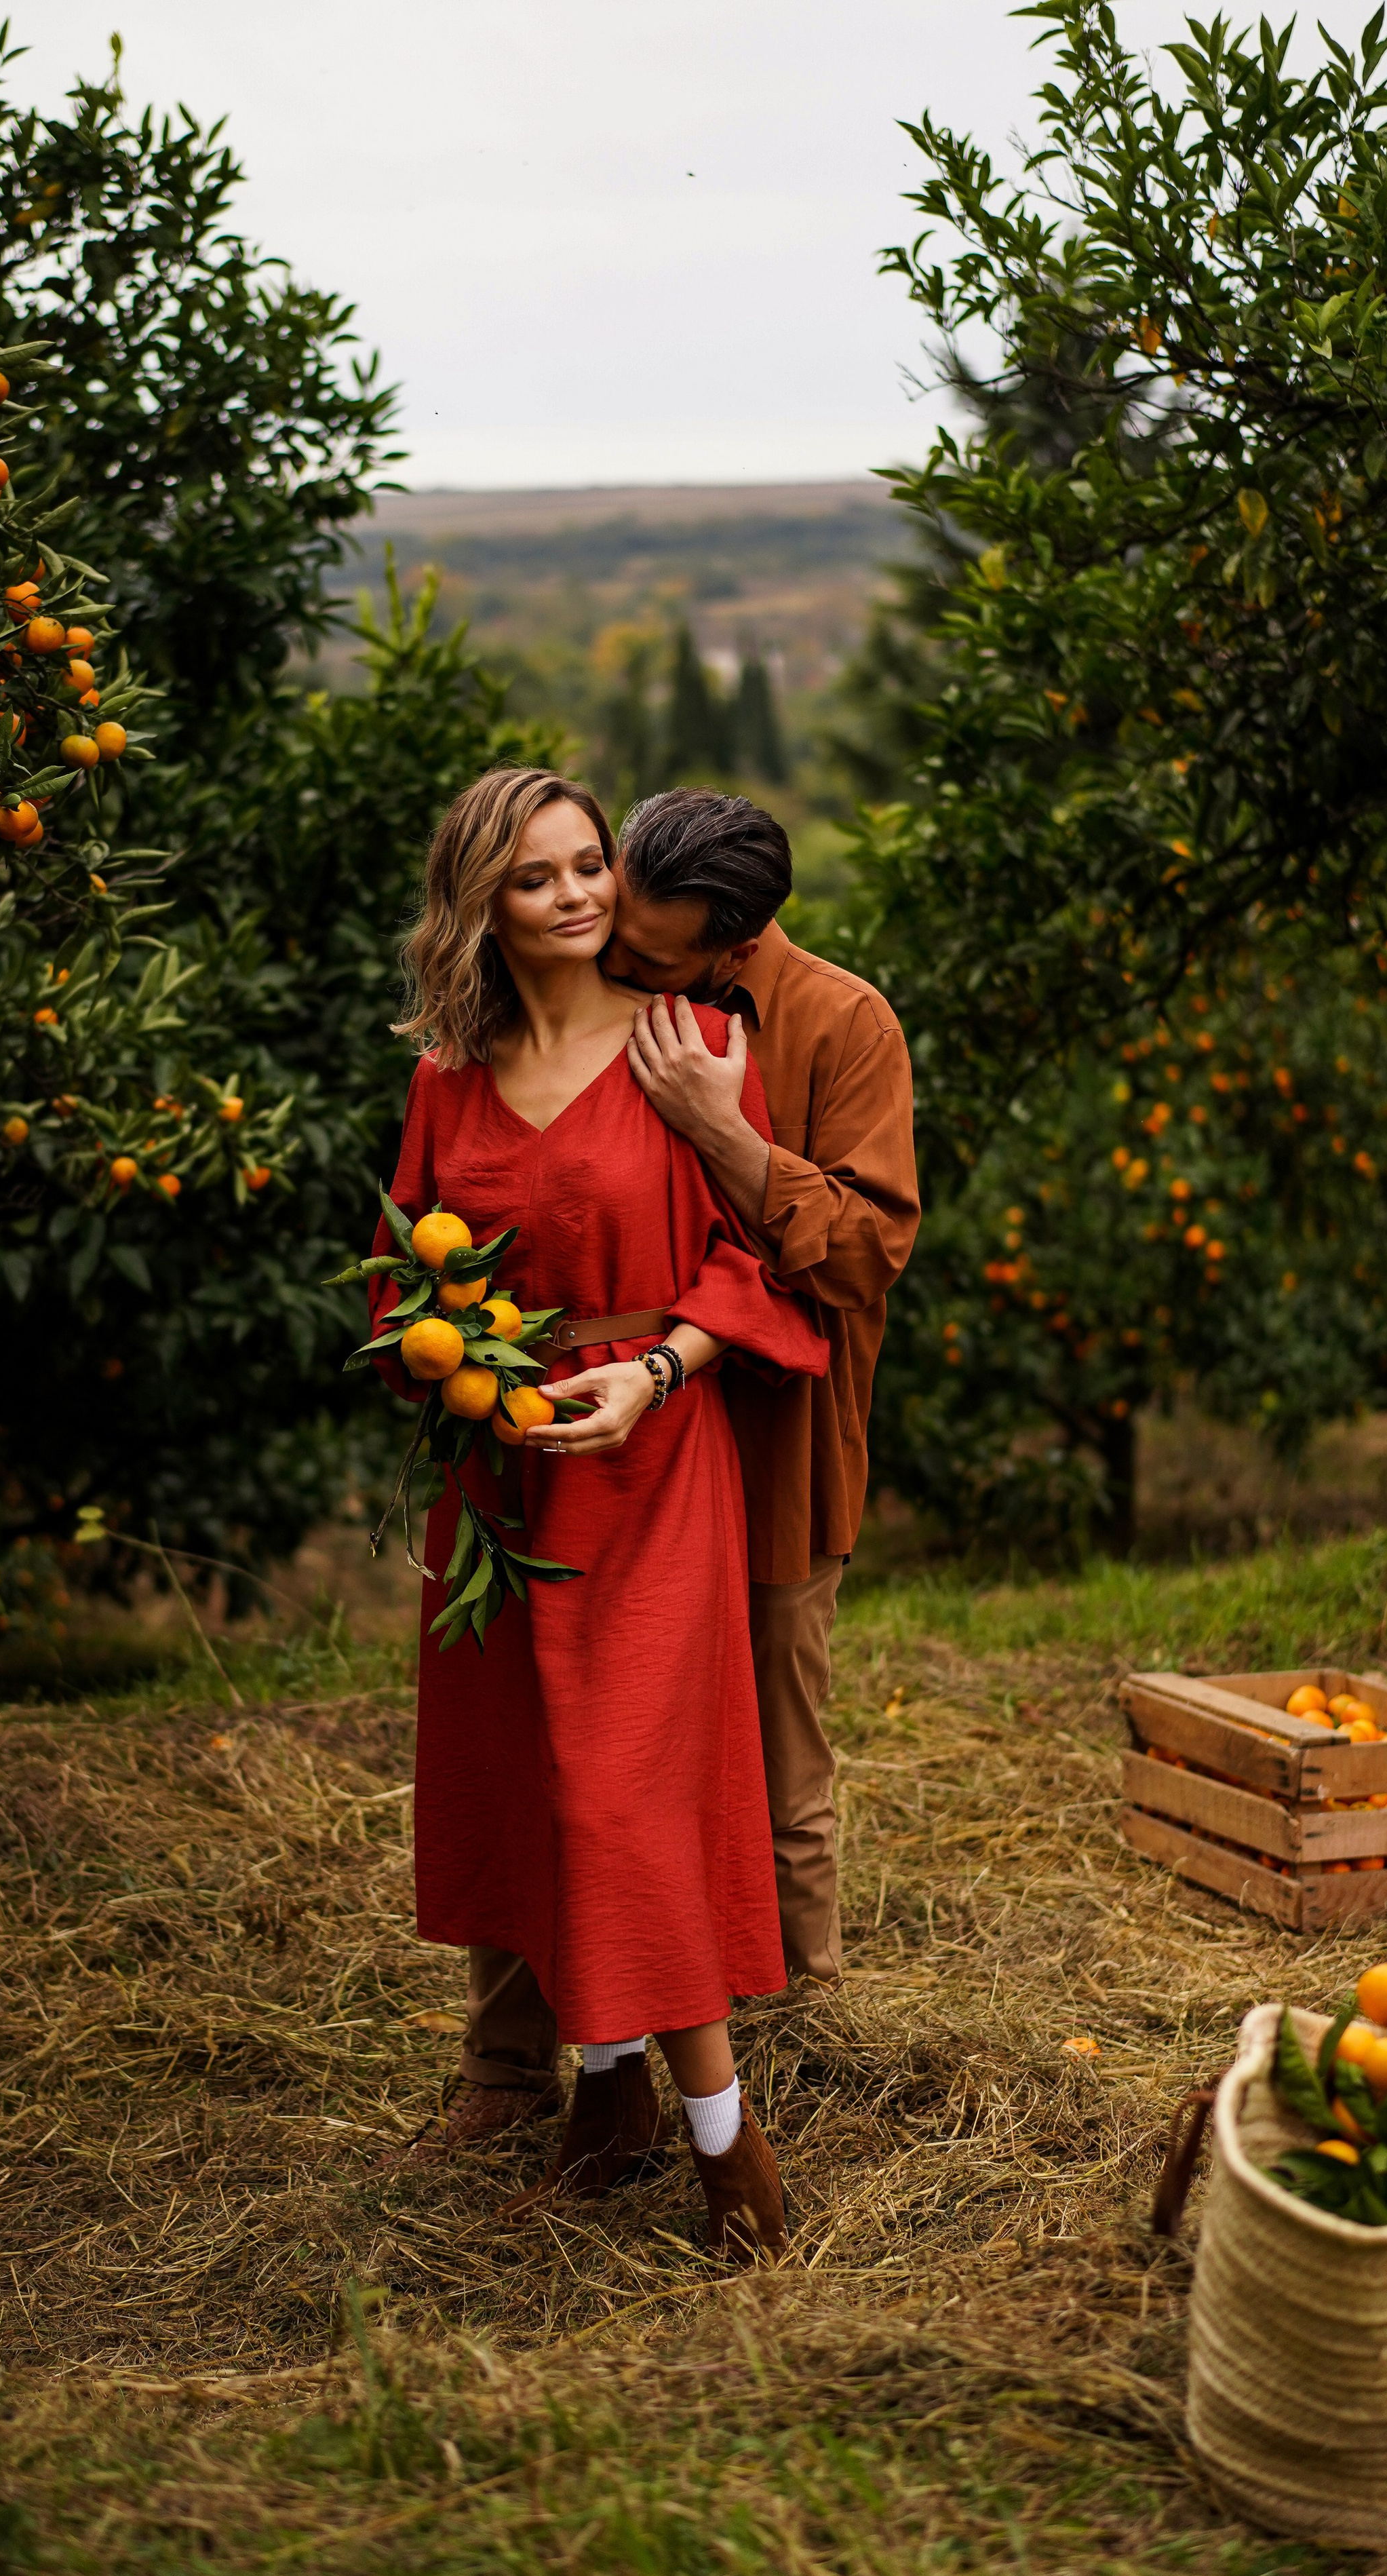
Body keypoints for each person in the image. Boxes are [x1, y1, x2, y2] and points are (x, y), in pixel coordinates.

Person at [376, 765, 829, 2261]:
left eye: (587, 866)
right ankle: (607, 2098)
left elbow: (756, 1264)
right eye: (536, 877)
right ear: (481, 906)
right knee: (538, 1784)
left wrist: (651, 1371)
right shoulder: (448, 1073)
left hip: (648, 1457)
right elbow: (407, 1284)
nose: (575, 896)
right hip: (504, 1481)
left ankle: (727, 2144)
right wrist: (459, 1376)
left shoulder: (690, 1044)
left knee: (618, 1797)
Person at [443, 787, 919, 2140]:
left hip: (770, 1449)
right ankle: (516, 2057)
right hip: (598, 1446)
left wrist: (724, 1131)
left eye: (648, 956)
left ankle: (791, 2050)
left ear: (722, 947)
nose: (615, 959)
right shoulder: (593, 1004)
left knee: (768, 1765)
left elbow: (869, 1253)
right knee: (553, 1746)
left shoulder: (838, 1024)